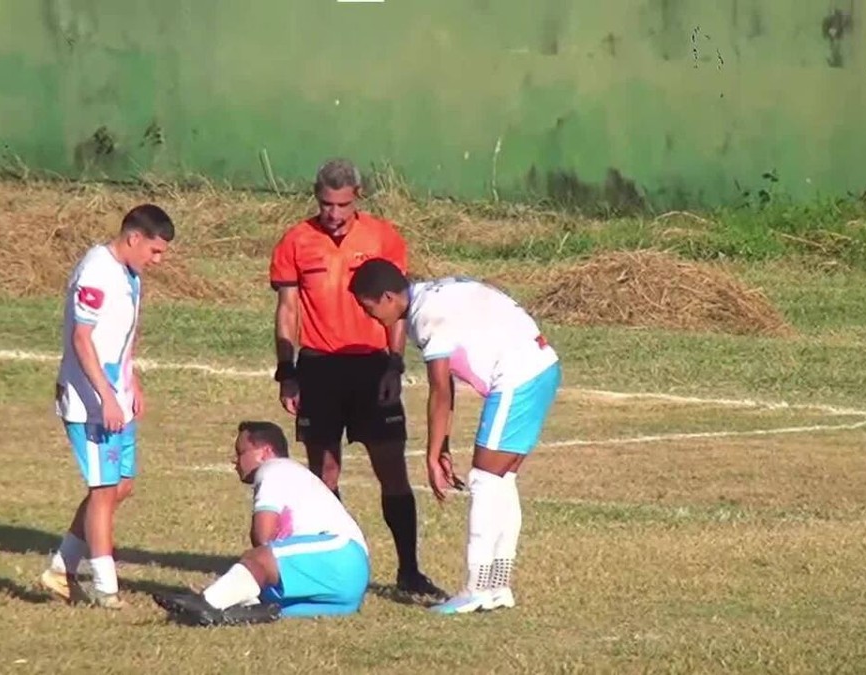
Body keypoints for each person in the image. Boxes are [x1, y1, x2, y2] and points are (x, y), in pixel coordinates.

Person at [267, 158, 444, 598]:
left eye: (342, 205)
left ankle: (409, 571)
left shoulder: (383, 237)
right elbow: (287, 310)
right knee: (323, 474)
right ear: (316, 197)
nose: (334, 214)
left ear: (357, 197)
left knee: (392, 469)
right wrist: (287, 372)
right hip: (319, 369)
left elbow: (397, 307)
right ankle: (336, 567)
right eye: (326, 204)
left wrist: (394, 364)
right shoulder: (296, 241)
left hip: (370, 368)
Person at [347, 259, 562, 615]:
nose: (368, 316)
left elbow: (440, 390)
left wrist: (432, 456)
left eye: (367, 307)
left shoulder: (426, 316)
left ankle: (476, 588)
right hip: (540, 365)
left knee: (484, 480)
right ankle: (498, 585)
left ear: (387, 296)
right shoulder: (432, 294)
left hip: (518, 376)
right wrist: (442, 446)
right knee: (502, 479)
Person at [38, 204, 176, 609]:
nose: (158, 260)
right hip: (91, 402)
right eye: (155, 251)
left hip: (116, 395)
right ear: (134, 238)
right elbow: (83, 339)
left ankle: (61, 569)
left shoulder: (129, 274)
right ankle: (106, 587)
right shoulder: (96, 272)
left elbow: (124, 335)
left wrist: (131, 380)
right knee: (103, 490)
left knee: (122, 486)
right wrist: (106, 396)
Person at [153, 421, 371, 626]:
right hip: (345, 581)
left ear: (266, 452)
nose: (235, 461)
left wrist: (256, 562)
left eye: (241, 453)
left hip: (340, 555)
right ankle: (224, 612)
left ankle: (206, 603)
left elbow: (262, 538)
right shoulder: (292, 475)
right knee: (263, 603)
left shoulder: (274, 468)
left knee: (259, 559)